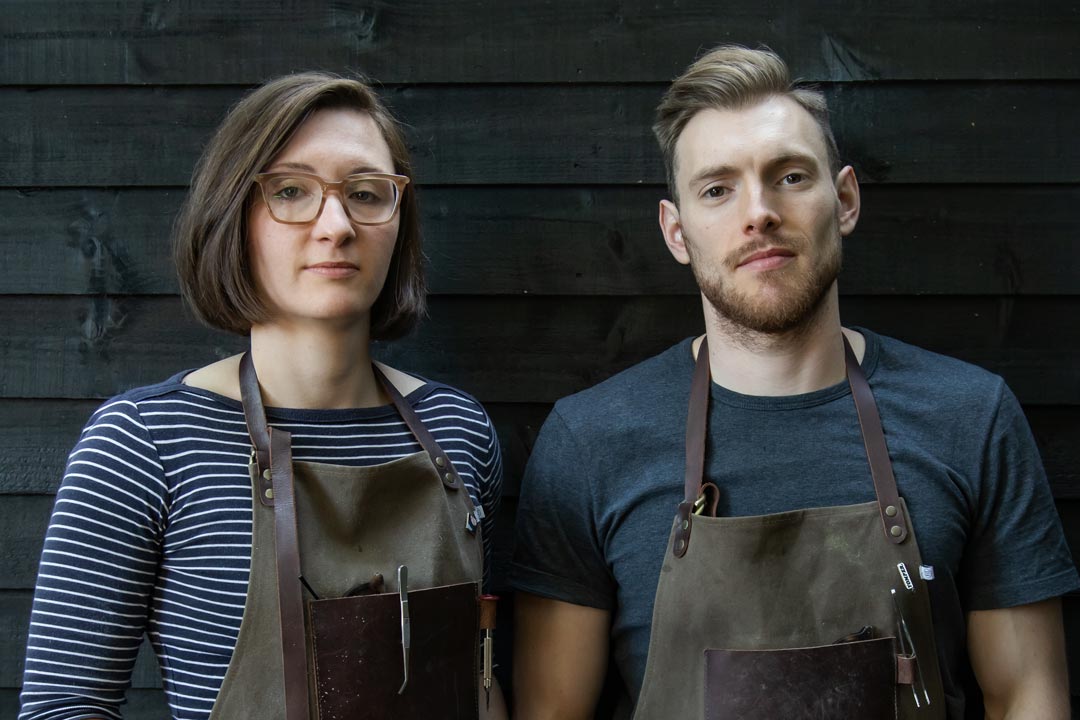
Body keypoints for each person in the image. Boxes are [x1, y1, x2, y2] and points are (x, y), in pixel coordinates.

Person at [510, 45, 1078, 719]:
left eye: (789, 176)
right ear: (677, 231)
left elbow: (1028, 696)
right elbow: (551, 712)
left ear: (844, 200)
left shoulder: (972, 417)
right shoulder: (590, 440)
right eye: (717, 189)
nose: (759, 213)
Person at [20, 72, 506, 720]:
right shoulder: (145, 442)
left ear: (398, 221)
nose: (335, 225)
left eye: (366, 193)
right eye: (291, 191)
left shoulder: (460, 432)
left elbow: (479, 685)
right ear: (234, 217)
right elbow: (64, 707)